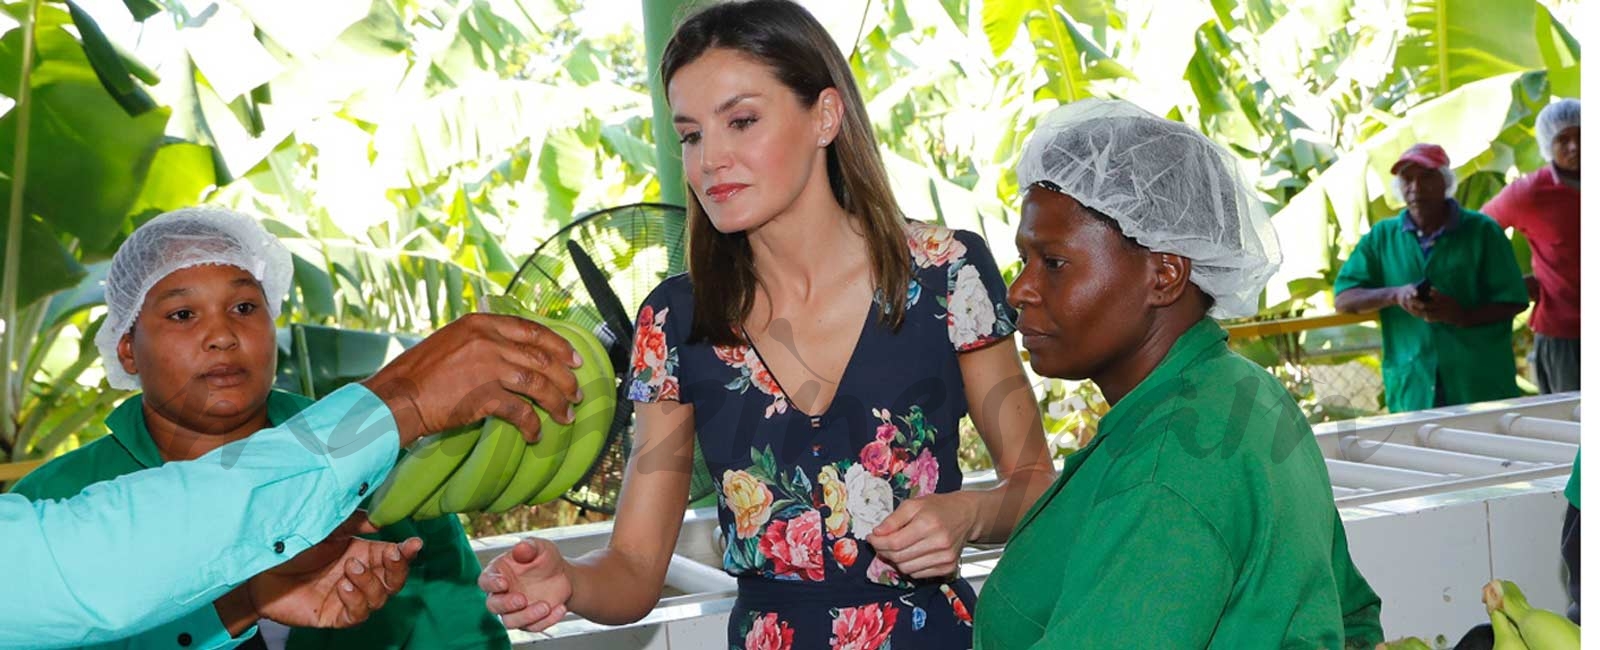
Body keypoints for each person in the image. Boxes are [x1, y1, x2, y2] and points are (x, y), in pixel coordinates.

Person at [478, 1, 1055, 647]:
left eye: (742, 121)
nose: (710, 160)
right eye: (692, 135)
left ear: (826, 116)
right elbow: (636, 569)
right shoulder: (673, 321)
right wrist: (570, 581)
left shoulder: (948, 274)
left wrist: (968, 512)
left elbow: (1036, 484)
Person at [2, 249, 585, 647]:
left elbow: (459, 632)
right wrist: (398, 401)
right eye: (183, 314)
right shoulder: (60, 502)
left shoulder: (389, 473)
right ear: (128, 350)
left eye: (245, 308)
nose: (223, 334)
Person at [973, 99, 1383, 648]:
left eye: (1053, 263)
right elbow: (1348, 613)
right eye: (1024, 261)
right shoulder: (1242, 390)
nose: (1020, 289)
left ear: (1164, 274)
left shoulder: (1165, 471)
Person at [1333, 143, 1529, 413]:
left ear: (1445, 182)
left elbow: (1514, 300)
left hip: (1479, 380)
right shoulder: (1381, 237)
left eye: (1425, 177)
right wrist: (1396, 295)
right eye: (1407, 179)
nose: (1415, 187)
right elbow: (1344, 299)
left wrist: (1461, 315)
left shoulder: (1483, 231)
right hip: (1414, 383)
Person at [1482, 99, 1580, 394]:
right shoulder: (1529, 193)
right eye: (1563, 139)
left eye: (1582, 135)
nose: (1575, 146)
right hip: (1565, 335)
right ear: (1548, 145)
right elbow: (1477, 230)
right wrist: (1507, 281)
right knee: (1573, 428)